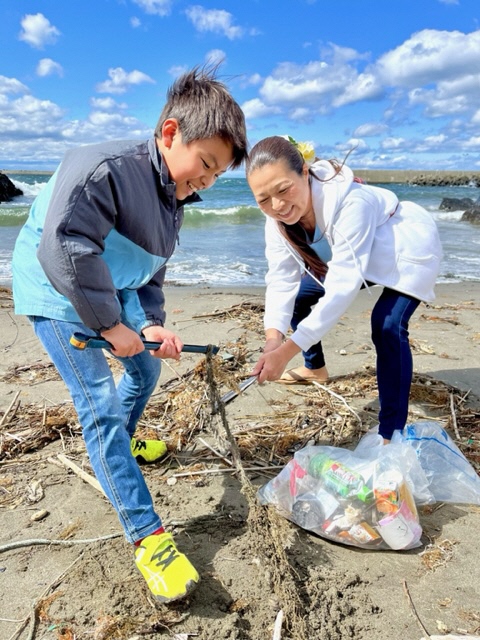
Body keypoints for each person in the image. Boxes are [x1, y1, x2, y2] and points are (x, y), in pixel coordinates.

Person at [12, 66, 247, 604]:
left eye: (216, 177)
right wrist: (109, 324)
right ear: (170, 133)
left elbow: (149, 269)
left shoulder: (174, 198)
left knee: (145, 366)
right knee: (97, 404)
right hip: (55, 291)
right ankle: (147, 535)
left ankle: (123, 441)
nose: (205, 183)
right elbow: (64, 247)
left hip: (104, 290)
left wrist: (150, 323)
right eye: (204, 165)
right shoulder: (103, 168)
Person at [246, 135, 442, 443]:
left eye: (283, 189)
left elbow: (342, 285)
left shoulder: (353, 202)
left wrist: (287, 351)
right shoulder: (276, 221)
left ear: (305, 172)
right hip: (353, 259)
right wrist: (274, 341)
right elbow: (281, 279)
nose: (278, 205)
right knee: (299, 296)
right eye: (263, 199)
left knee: (387, 325)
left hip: (405, 247)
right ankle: (315, 368)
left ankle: (392, 431)